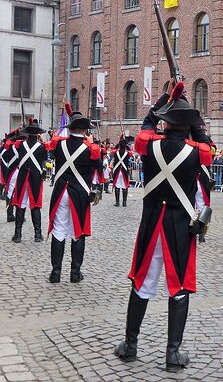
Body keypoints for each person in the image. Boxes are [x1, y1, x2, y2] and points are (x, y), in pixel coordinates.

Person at [114, 81, 212, 373]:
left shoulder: (149, 143)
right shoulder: (198, 152)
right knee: (179, 285)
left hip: (151, 222)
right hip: (179, 227)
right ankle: (172, 353)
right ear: (189, 126)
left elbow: (147, 121)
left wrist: (166, 96)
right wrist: (194, 122)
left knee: (142, 282)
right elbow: (204, 141)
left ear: (165, 123)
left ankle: (130, 346)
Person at [47, 104, 101, 283]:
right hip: (79, 193)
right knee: (78, 232)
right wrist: (90, 142)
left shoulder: (59, 144)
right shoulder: (90, 149)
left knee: (59, 230)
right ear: (85, 130)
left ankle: (55, 273)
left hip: (61, 191)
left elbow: (52, 150)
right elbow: (98, 170)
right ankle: (75, 273)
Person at [12, 119, 48, 243]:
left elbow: (13, 143)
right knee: (35, 205)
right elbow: (45, 160)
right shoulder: (42, 147)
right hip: (35, 179)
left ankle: (17, 235)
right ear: (38, 133)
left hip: (22, 178)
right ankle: (38, 235)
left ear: (27, 133)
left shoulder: (20, 145)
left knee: (20, 205)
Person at [112, 134, 133, 207]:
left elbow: (113, 150)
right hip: (124, 170)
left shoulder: (115, 152)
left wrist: (118, 145)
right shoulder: (128, 152)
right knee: (125, 186)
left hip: (117, 171)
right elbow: (131, 153)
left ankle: (117, 203)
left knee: (117, 186)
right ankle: (124, 203)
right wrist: (127, 147)